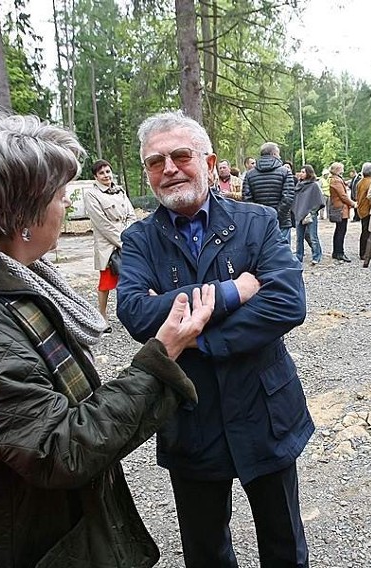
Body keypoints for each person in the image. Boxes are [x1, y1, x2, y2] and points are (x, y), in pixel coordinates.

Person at [0, 112, 216, 568]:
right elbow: (60, 448)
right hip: (33, 547)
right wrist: (161, 355)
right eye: (61, 197)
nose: (67, 208)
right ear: (18, 213)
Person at [117, 111, 313, 568]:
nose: (168, 168)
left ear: (209, 161)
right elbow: (134, 312)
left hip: (264, 409)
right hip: (190, 413)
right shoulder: (139, 239)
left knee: (284, 542)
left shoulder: (257, 222)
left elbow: (287, 304)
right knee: (205, 550)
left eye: (180, 156)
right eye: (154, 161)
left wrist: (193, 339)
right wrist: (233, 291)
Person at [84, 159, 137, 326]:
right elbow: (102, 223)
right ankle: (102, 313)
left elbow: (131, 215)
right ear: (95, 176)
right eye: (101, 173)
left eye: (107, 171)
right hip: (108, 244)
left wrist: (128, 236)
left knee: (129, 278)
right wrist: (122, 241)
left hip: (126, 240)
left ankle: (129, 312)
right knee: (106, 282)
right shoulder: (91, 194)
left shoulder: (119, 191)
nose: (106, 175)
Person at [242, 141, 297, 244]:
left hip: (259, 222)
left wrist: (260, 216)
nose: (280, 157)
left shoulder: (249, 175)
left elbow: (247, 199)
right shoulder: (285, 172)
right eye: (278, 154)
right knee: (283, 254)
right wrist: (275, 215)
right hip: (282, 221)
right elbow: (288, 197)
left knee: (262, 254)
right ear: (274, 154)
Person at [292, 164, 325, 265]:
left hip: (310, 215)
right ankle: (299, 256)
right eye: (300, 172)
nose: (301, 174)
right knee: (299, 238)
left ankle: (317, 255)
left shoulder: (314, 185)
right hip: (299, 214)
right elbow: (296, 200)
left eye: (303, 172)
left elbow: (319, 200)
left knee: (313, 236)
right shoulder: (298, 185)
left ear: (308, 173)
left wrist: (312, 211)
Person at [328, 161, 357, 262]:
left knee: (339, 230)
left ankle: (336, 252)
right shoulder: (336, 180)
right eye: (341, 169)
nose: (343, 170)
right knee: (341, 231)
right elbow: (343, 196)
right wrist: (353, 204)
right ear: (337, 170)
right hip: (340, 209)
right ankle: (339, 252)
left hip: (339, 208)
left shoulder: (335, 179)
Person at [355, 162, 371, 259]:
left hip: (362, 209)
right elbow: (370, 198)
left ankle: (367, 251)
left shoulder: (361, 182)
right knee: (367, 232)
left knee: (366, 231)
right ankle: (364, 252)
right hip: (368, 210)